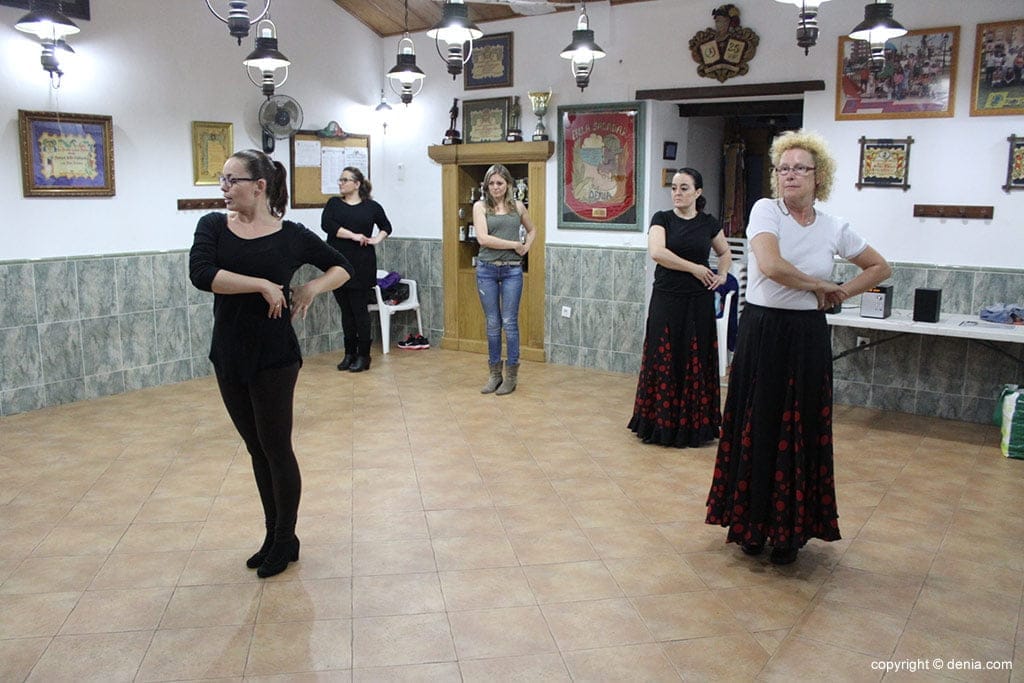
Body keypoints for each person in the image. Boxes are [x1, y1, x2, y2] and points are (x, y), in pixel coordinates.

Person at [705, 130, 891, 565]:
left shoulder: (834, 226)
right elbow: (771, 266)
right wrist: (821, 285)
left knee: (801, 429)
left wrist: (840, 292)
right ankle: (751, 526)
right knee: (759, 425)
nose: (789, 175)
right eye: (783, 168)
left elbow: (880, 267)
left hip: (807, 335)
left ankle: (790, 531)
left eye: (800, 168)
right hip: (764, 331)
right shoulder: (765, 211)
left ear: (817, 176)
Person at [189, 149, 353, 578]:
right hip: (229, 353)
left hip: (275, 357)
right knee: (256, 448)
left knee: (276, 448)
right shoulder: (212, 226)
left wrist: (311, 288)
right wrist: (261, 284)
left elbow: (342, 267)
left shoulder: (291, 235)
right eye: (222, 180)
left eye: (232, 181)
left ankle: (285, 537)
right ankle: (274, 534)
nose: (224, 189)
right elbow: (202, 274)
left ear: (259, 186)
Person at [628, 168, 732, 448]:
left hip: (698, 302)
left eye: (684, 188)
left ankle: (694, 426)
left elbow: (725, 252)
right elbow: (658, 252)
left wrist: (722, 274)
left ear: (698, 192)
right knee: (664, 356)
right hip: (667, 299)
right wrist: (695, 268)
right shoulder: (661, 219)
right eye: (674, 188)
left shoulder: (708, 223)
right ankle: (659, 424)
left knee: (694, 358)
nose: (677, 193)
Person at [321, 166, 392, 372]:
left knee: (359, 311)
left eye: (345, 180)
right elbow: (327, 225)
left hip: (362, 264)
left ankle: (364, 355)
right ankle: (349, 353)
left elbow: (386, 227)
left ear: (357, 184)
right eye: (340, 180)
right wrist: (354, 236)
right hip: (338, 263)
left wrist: (375, 239)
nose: (341, 183)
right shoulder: (334, 204)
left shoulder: (371, 207)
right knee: (346, 311)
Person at [473, 163, 536, 395]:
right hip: (486, 270)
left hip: (512, 271)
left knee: (509, 322)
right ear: (486, 186)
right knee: (492, 323)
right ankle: (494, 375)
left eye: (499, 183)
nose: (495, 187)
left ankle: (511, 376)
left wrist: (526, 247)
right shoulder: (480, 207)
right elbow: (483, 239)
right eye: (491, 183)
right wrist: (515, 245)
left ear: (508, 184)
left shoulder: (518, 206)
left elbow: (533, 230)